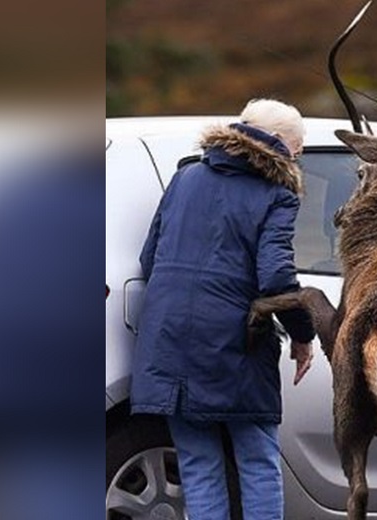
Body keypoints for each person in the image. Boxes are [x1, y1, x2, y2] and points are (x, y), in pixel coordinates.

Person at [131, 99, 315, 520]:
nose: (300, 155)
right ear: (280, 144)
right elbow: (276, 279)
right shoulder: (277, 194)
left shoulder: (186, 176)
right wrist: (303, 335)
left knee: (198, 467)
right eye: (299, 146)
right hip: (234, 347)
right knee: (258, 463)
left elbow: (149, 259)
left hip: (168, 343)